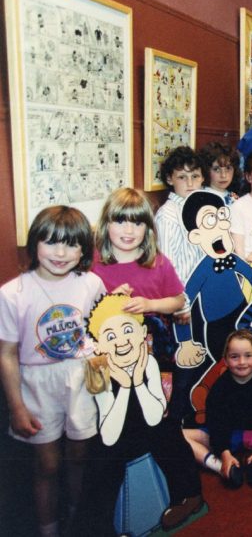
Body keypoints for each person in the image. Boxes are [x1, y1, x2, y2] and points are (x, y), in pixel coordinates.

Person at [0, 206, 105, 537]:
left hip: (80, 377)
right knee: (47, 464)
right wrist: (17, 407)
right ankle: (48, 528)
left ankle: (76, 520)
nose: (61, 253)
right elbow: (6, 354)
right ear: (34, 244)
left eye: (71, 244)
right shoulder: (12, 293)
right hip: (36, 383)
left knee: (79, 455)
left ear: (84, 249)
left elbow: (99, 330)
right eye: (51, 242)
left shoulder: (91, 283)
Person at [76, 294, 203, 534]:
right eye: (110, 336)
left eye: (127, 330)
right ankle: (100, 528)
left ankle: (188, 496)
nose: (122, 341)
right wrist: (124, 387)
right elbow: (110, 434)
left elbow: (155, 417)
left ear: (142, 333)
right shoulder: (98, 370)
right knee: (101, 461)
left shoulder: (149, 363)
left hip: (148, 425)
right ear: (100, 343)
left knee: (170, 435)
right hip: (115, 433)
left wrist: (137, 382)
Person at [92, 188, 185, 362]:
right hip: (109, 352)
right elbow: (84, 311)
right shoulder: (93, 265)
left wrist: (150, 304)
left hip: (153, 351)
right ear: (106, 224)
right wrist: (110, 301)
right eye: (120, 221)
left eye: (137, 223)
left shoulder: (158, 262)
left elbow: (178, 301)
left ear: (148, 228)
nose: (129, 231)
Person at [183, 330, 252, 488]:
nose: (242, 362)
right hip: (228, 436)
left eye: (248, 356)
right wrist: (224, 453)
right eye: (234, 357)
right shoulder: (219, 388)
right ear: (226, 360)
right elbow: (216, 425)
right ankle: (219, 465)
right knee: (178, 436)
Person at [154, 146, 206, 286]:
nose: (190, 183)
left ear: (202, 178)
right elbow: (166, 268)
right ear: (170, 179)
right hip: (181, 296)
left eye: (195, 176)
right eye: (182, 177)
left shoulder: (201, 209)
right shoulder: (167, 216)